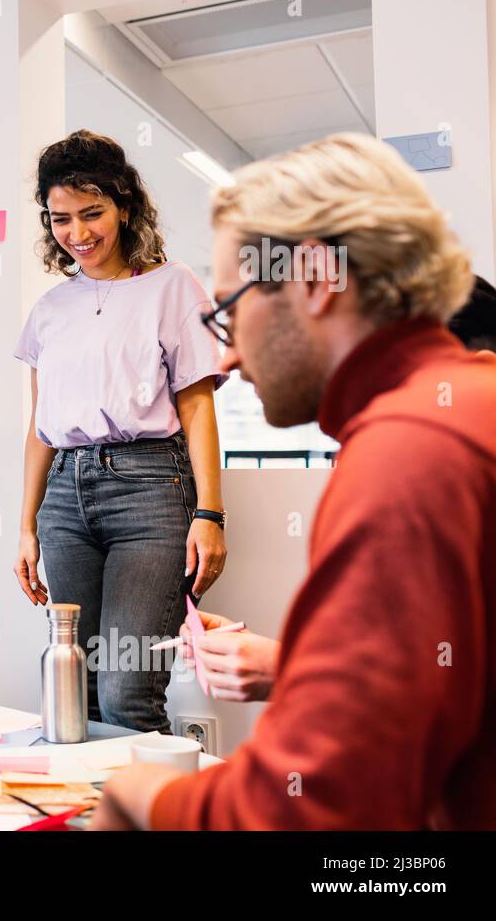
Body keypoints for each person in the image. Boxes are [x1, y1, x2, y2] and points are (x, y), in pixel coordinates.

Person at [92, 131, 496, 830]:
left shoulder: (408, 454)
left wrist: (141, 797)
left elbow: (307, 814)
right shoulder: (467, 404)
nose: (225, 351)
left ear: (312, 278)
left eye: (229, 308)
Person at [177, 272, 496, 704]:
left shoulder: (415, 455)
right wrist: (286, 663)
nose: (228, 363)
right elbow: (404, 654)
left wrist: (288, 669)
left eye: (237, 321)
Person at [12, 129, 228, 733]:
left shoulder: (172, 285)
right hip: (63, 499)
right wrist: (25, 526)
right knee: (72, 688)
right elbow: (40, 427)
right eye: (60, 219)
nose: (77, 233)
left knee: (127, 692)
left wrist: (210, 515)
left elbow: (198, 408)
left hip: (150, 490)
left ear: (124, 207)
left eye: (92, 213)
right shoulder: (51, 309)